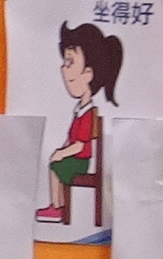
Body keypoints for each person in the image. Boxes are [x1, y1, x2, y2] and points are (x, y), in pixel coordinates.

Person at [37, 20, 120, 223]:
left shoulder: (88, 114)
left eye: (69, 62)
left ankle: (58, 207)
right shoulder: (79, 112)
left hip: (80, 161)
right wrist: (61, 150)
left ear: (88, 73)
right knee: (55, 163)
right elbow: (70, 139)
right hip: (74, 157)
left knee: (56, 167)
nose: (64, 69)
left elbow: (80, 144)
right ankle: (57, 207)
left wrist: (62, 153)